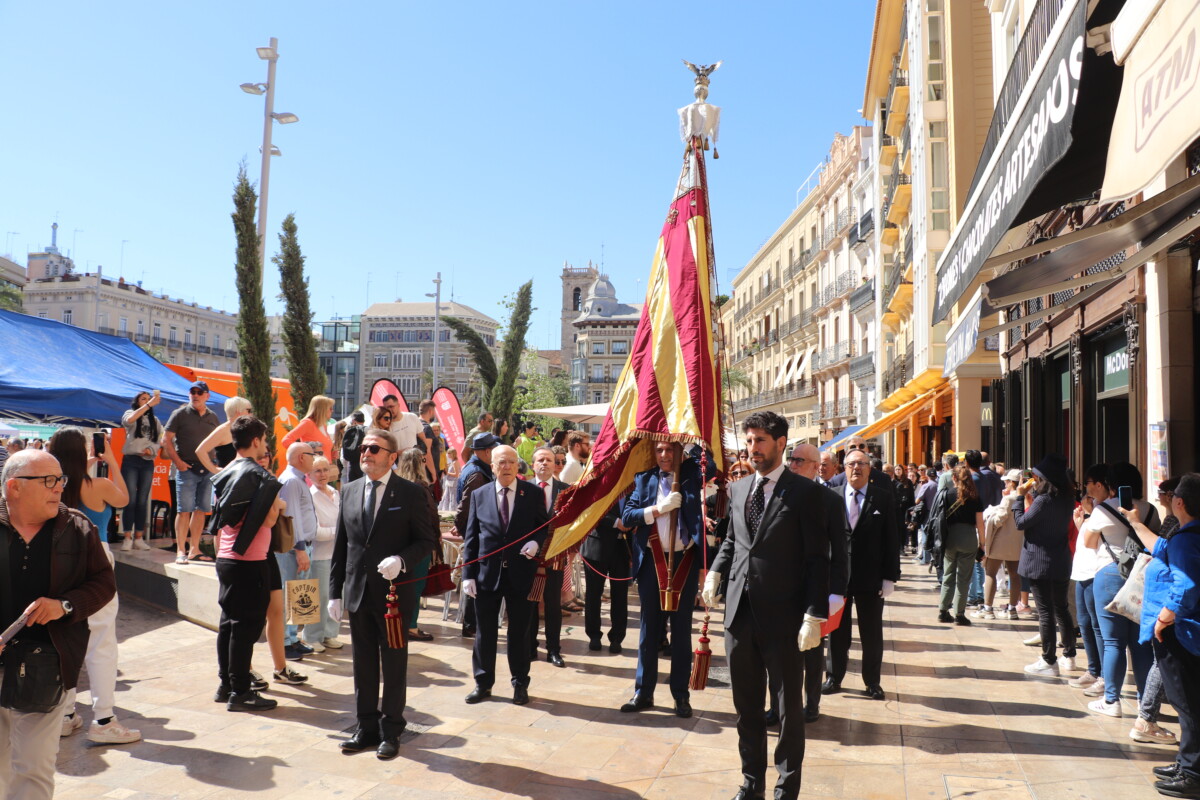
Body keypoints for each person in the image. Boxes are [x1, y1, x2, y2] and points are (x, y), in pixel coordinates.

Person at [701, 412, 829, 800]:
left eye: (760, 441)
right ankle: (751, 782)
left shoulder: (806, 493)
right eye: (749, 440)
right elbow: (732, 541)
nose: (752, 448)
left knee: (789, 711)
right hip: (739, 616)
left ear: (780, 443)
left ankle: (786, 788)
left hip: (785, 618)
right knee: (747, 707)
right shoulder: (739, 488)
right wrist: (716, 572)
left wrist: (814, 614)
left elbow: (817, 560)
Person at [0, 449, 116, 799]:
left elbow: (104, 583)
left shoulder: (77, 528)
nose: (59, 488)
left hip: (46, 665)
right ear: (14, 487)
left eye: (60, 480)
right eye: (48, 481)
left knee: (34, 768)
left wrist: (64, 606)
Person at [329, 427, 439, 759]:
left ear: (392, 457)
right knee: (362, 663)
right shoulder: (349, 490)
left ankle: (391, 730)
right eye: (364, 448)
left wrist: (401, 560)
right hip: (358, 593)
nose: (366, 453)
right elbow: (341, 546)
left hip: (393, 597)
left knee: (393, 663)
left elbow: (426, 540)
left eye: (374, 449)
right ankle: (365, 727)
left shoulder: (410, 493)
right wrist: (335, 592)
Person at [47, 428, 140, 745]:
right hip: (95, 560)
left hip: (58, 561)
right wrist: (111, 460)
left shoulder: (51, 487)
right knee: (101, 641)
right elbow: (125, 498)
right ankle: (104, 719)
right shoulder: (97, 485)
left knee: (67, 640)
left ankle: (65, 714)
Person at [1122, 474, 1200, 797]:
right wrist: (1135, 522)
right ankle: (1186, 763)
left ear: (1179, 502)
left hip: (1180, 633)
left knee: (1187, 704)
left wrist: (1165, 617)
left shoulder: (1187, 539)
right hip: (1181, 632)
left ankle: (1193, 773)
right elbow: (1161, 547)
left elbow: (1187, 585)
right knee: (1186, 702)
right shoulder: (1185, 536)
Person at [619, 440, 704, 718]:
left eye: (670, 449)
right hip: (652, 561)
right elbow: (628, 515)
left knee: (681, 631)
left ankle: (680, 694)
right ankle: (643, 692)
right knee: (649, 630)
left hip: (684, 560)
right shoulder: (644, 479)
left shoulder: (691, 473)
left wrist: (689, 445)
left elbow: (711, 464)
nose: (665, 455)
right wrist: (658, 508)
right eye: (660, 450)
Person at [461, 445, 550, 706]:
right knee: (484, 633)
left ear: (518, 465)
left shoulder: (532, 493)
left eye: (512, 461)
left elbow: (542, 526)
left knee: (519, 633)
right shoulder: (479, 494)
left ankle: (520, 683)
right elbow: (471, 537)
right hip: (487, 574)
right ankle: (483, 683)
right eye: (502, 462)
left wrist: (535, 542)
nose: (508, 466)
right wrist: (468, 575)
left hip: (520, 573)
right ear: (493, 466)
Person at [210, 415, 285, 712]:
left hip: (227, 557)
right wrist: (277, 502)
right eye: (264, 440)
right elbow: (268, 520)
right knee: (245, 628)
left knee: (228, 624)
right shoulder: (258, 475)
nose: (265, 445)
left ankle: (226, 685)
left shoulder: (228, 470)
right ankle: (240, 692)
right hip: (249, 560)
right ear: (255, 441)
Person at [824, 447, 901, 700]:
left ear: (869, 469)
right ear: (844, 469)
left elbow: (892, 538)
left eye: (861, 464)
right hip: (838, 577)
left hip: (871, 576)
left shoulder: (882, 497)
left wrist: (890, 576)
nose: (856, 468)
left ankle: (872, 682)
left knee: (871, 633)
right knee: (837, 631)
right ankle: (834, 677)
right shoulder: (832, 496)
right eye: (851, 464)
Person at [1085, 461, 1156, 716]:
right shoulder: (1149, 509)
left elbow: (1089, 542)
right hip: (1141, 576)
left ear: (1112, 484)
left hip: (1109, 572)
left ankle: (1111, 701)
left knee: (1113, 641)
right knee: (1141, 643)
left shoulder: (1103, 508)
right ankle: (1145, 704)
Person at [786, 442, 849, 724]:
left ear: (815, 467)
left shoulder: (830, 500)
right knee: (781, 651)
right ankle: (780, 705)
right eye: (792, 459)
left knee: (811, 650)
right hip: (782, 585)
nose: (793, 465)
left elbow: (840, 549)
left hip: (815, 587)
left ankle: (811, 703)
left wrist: (837, 591)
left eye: (799, 461)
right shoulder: (779, 492)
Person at [1015, 454, 1078, 678]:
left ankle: (1049, 659)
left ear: (1045, 479)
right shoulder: (1067, 498)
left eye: (1037, 477)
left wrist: (1018, 498)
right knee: (1061, 607)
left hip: (1039, 560)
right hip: (1060, 559)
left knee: (1045, 612)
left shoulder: (1043, 501)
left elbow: (1021, 523)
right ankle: (1069, 655)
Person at [161, 381, 221, 564]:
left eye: (199, 392)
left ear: (207, 396)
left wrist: (216, 465)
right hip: (186, 468)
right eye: (192, 392)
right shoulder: (179, 414)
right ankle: (181, 550)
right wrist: (178, 462)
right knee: (184, 510)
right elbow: (165, 440)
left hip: (208, 469)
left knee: (201, 510)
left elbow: (218, 442)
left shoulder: (213, 416)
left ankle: (194, 549)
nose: (195, 395)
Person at [1067, 464, 1113, 695]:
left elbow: (1092, 542)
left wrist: (1089, 515)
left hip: (1097, 571)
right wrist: (1083, 520)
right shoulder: (1095, 509)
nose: (1085, 489)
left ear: (1099, 484)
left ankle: (1104, 675)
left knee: (1097, 626)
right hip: (1082, 570)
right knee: (1085, 623)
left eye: (1087, 483)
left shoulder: (1106, 509)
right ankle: (1093, 669)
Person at [454, 432, 501, 638]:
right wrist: (468, 533)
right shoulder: (477, 474)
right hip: (478, 535)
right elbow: (466, 509)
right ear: (488, 452)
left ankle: (472, 623)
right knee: (474, 579)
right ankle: (471, 624)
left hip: (476, 534)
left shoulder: (474, 468)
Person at [527, 446, 569, 667]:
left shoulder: (566, 490)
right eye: (540, 460)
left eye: (549, 460)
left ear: (555, 465)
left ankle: (554, 649)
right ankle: (530, 647)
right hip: (529, 557)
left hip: (554, 556)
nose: (544, 463)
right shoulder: (524, 488)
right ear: (533, 465)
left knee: (553, 604)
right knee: (530, 602)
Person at [277, 442, 319, 658]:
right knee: (289, 594)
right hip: (294, 549)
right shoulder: (292, 480)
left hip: (301, 547)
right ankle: (285, 642)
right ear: (302, 457)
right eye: (313, 455)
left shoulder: (297, 479)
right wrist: (300, 550)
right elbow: (291, 517)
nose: (315, 458)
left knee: (297, 593)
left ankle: (292, 638)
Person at [393, 447, 438, 642]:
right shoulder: (420, 487)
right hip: (419, 545)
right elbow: (431, 516)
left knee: (402, 587)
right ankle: (410, 626)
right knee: (415, 586)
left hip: (400, 545)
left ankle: (402, 623)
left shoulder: (395, 485)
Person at [581, 494, 631, 655]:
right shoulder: (602, 482)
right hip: (597, 546)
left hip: (623, 549)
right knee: (593, 594)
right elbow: (592, 507)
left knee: (620, 595)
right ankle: (594, 635)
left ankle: (617, 637)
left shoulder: (633, 485)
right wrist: (616, 522)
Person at [974, 468, 1025, 621]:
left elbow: (999, 519)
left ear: (1011, 483)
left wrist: (991, 517)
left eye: (1007, 482)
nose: (1005, 484)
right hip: (1017, 542)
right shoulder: (1026, 498)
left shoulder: (1009, 499)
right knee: (1015, 575)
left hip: (1000, 541)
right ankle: (1012, 609)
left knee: (990, 573)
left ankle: (988, 609)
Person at [936, 465, 984, 626]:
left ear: (954, 478)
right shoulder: (975, 497)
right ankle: (959, 613)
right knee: (964, 578)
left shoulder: (947, 494)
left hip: (950, 537)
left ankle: (943, 610)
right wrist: (982, 544)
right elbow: (980, 524)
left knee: (948, 574)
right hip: (968, 537)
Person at [308, 457, 346, 652]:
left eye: (325, 469)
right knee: (319, 598)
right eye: (317, 471)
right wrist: (338, 532)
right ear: (309, 474)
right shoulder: (310, 496)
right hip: (319, 555)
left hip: (339, 554)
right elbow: (315, 532)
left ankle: (330, 634)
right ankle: (312, 636)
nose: (322, 474)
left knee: (338, 595)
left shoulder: (336, 493)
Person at [119, 390, 162, 550]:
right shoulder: (130, 413)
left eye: (148, 399)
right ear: (137, 401)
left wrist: (151, 450)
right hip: (131, 460)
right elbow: (129, 420)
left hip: (147, 462)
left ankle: (139, 537)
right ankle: (127, 537)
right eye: (143, 399)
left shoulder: (155, 420)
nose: (147, 401)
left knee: (142, 500)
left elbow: (159, 440)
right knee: (130, 499)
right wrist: (149, 404)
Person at [194, 396, 254, 476]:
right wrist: (215, 470)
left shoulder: (243, 429)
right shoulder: (223, 430)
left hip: (242, 477)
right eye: (249, 410)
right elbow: (200, 451)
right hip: (228, 479)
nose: (251, 414)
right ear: (238, 412)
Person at [281, 395, 335, 461]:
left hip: (324, 466)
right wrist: (303, 454)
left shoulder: (323, 425)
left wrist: (333, 454)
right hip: (311, 466)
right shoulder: (308, 423)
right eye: (330, 408)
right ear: (322, 410)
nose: (332, 411)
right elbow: (286, 440)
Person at [341, 411, 367, 483]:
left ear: (353, 421)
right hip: (364, 463)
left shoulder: (350, 431)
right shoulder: (367, 430)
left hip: (352, 465)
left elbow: (344, 454)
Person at [439, 449, 461, 513]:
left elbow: (456, 474)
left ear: (453, 454)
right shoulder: (452, 462)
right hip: (450, 483)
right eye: (448, 453)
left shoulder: (455, 462)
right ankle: (449, 510)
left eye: (449, 453)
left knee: (452, 497)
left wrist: (447, 473)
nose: (448, 454)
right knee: (447, 496)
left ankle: (453, 510)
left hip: (453, 483)